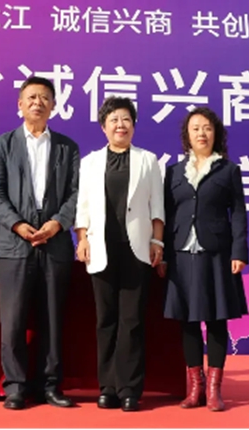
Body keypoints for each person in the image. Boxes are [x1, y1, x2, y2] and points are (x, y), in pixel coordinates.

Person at [0, 76, 81, 410]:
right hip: (14, 245)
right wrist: (18, 225)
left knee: (52, 319)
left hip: (55, 244)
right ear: (20, 104)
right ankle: (15, 386)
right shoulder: (3, 144)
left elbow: (76, 194)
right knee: (13, 320)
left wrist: (57, 223)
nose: (37, 103)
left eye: (44, 98)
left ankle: (50, 386)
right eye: (31, 97)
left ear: (53, 106)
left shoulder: (67, 147)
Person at [74, 96, 164, 412]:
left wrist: (157, 242)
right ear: (104, 127)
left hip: (136, 250)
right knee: (106, 320)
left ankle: (129, 389)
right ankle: (108, 387)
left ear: (134, 126)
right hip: (101, 249)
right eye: (113, 120)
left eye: (126, 119)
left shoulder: (148, 160)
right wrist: (82, 239)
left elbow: (157, 206)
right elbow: (83, 206)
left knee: (132, 321)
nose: (120, 125)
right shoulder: (90, 162)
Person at [159, 107, 249, 412]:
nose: (202, 133)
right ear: (187, 135)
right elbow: (166, 215)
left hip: (217, 255)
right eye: (195, 128)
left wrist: (239, 252)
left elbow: (238, 214)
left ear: (216, 134)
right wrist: (163, 253)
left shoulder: (228, 170)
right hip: (181, 255)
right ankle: (195, 388)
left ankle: (214, 390)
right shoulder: (173, 172)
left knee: (216, 320)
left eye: (207, 128)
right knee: (187, 321)